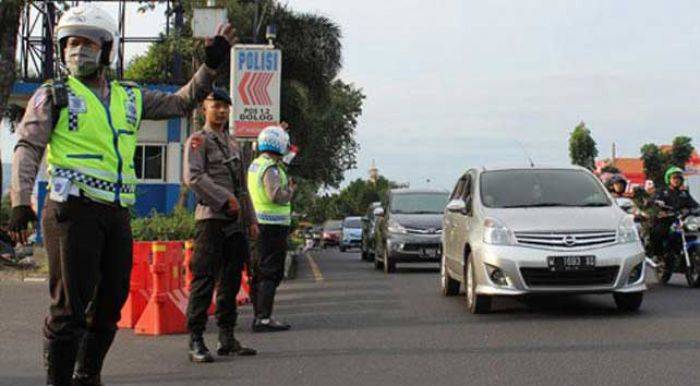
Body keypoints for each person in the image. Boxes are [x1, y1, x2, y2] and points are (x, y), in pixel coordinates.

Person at [6, 4, 236, 385]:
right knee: (69, 311)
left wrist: (210, 66)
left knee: (111, 304)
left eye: (87, 43)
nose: (77, 51)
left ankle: (87, 373)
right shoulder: (53, 95)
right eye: (70, 43)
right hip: (71, 210)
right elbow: (28, 148)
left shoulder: (129, 97)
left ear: (107, 49)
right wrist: (20, 200)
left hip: (115, 214)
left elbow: (181, 102)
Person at [183, 89, 258, 363]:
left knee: (231, 280)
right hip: (211, 220)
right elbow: (194, 178)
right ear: (205, 108)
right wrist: (224, 200)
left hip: (235, 223)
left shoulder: (235, 144)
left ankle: (227, 337)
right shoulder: (198, 141)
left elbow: (244, 188)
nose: (222, 111)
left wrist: (251, 220)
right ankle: (196, 339)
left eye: (226, 107)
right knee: (203, 280)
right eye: (216, 106)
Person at [247, 125, 295, 332]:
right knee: (270, 273)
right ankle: (264, 318)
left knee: (259, 272)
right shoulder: (271, 169)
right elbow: (276, 195)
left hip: (260, 224)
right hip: (272, 227)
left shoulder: (256, 165)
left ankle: (260, 314)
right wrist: (290, 191)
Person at [649, 166, 699, 260]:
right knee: (657, 231)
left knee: (694, 230)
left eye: (679, 178)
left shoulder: (684, 193)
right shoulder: (662, 192)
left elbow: (696, 206)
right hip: (666, 220)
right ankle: (658, 255)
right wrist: (660, 209)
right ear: (669, 179)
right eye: (674, 178)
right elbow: (653, 202)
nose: (677, 180)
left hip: (681, 221)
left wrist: (689, 211)